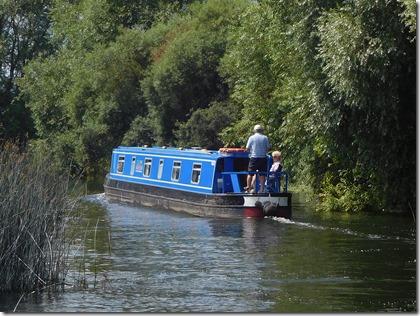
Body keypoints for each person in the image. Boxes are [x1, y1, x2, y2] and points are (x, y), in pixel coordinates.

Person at [244, 124, 270, 193]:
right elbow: (268, 148)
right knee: (262, 174)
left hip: (254, 158)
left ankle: (248, 188)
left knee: (250, 173)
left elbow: (247, 148)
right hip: (262, 158)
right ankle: (262, 189)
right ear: (261, 130)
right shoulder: (265, 138)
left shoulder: (252, 138)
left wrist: (248, 151)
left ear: (254, 130)